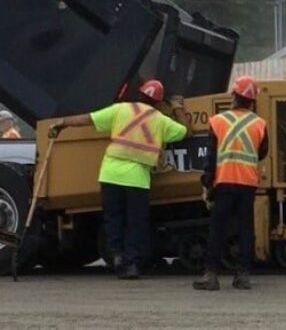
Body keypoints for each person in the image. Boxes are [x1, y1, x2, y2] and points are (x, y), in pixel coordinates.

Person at [49, 80, 188, 279]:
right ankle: (131, 264)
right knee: (135, 223)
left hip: (110, 175)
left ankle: (116, 255)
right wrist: (177, 108)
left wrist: (61, 123)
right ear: (158, 103)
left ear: (139, 95)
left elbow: (86, 119)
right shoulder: (160, 119)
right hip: (137, 179)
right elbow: (184, 131)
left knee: (113, 219)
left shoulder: (120, 110)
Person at [193, 76, 268, 291]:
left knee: (218, 228)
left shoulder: (218, 121)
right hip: (247, 183)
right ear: (252, 101)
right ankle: (243, 275)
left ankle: (211, 276)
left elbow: (210, 158)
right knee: (246, 229)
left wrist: (207, 186)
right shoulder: (259, 124)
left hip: (224, 182)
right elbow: (263, 152)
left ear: (234, 96)